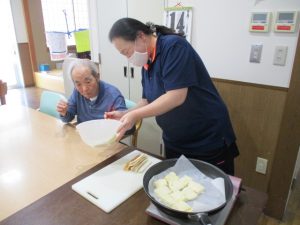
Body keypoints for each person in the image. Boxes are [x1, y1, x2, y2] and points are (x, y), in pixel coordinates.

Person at [106, 18, 239, 175]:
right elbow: (147, 100)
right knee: (179, 188)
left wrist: (135, 115)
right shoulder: (147, 63)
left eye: (126, 52)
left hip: (206, 137)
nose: (128, 58)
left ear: (141, 36)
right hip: (175, 140)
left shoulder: (173, 46)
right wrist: (125, 114)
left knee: (213, 190)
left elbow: (176, 96)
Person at [57, 58, 127, 124]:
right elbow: (68, 117)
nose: (84, 89)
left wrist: (118, 121)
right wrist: (64, 112)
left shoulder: (113, 95)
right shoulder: (77, 92)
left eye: (88, 82)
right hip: (84, 135)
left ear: (97, 77)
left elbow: (127, 125)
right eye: (78, 84)